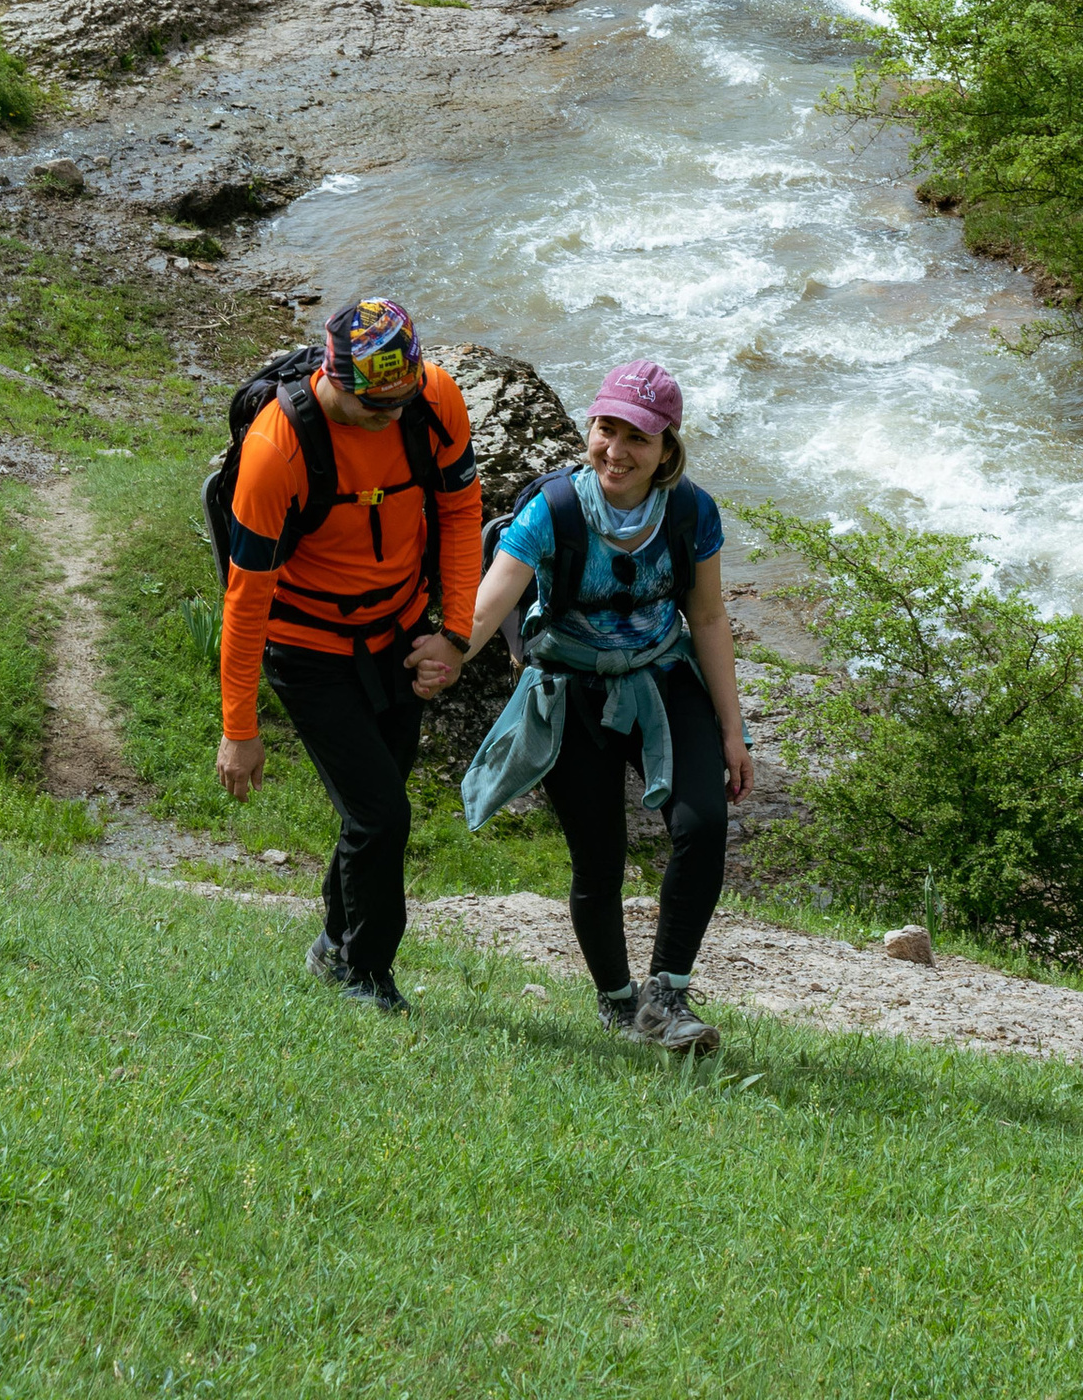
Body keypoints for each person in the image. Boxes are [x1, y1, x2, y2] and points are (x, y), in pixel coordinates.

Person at [460, 358, 752, 1054]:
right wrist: (443, 658)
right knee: (599, 859)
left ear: (667, 449)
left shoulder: (692, 512)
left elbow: (708, 619)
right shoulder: (552, 509)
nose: (616, 451)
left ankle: (667, 995)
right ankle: (620, 1004)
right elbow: (489, 604)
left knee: (703, 823)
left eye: (637, 438)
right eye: (605, 430)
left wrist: (732, 731)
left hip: (662, 676)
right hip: (570, 686)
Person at [214, 293, 480, 1014]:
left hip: (400, 631)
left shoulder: (433, 399)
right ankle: (367, 975)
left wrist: (454, 633)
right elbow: (246, 599)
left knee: (375, 808)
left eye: (402, 401)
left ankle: (333, 944)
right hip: (308, 650)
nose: (391, 416)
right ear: (334, 379)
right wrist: (240, 726)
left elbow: (460, 512)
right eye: (375, 405)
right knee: (382, 815)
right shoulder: (276, 450)